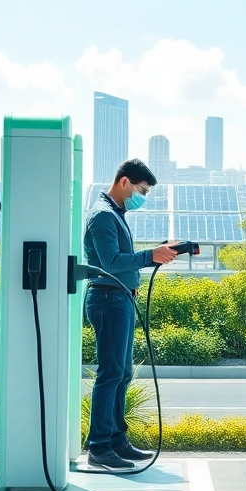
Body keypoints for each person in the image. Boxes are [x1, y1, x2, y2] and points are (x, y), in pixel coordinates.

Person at [83, 158, 180, 469]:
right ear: (123, 182)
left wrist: (156, 253)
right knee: (110, 374)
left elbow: (122, 258)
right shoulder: (102, 216)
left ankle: (116, 441)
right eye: (141, 190)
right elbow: (111, 262)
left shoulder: (115, 214)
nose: (142, 198)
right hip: (108, 300)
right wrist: (151, 255)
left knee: (121, 374)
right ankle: (99, 447)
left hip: (119, 300)